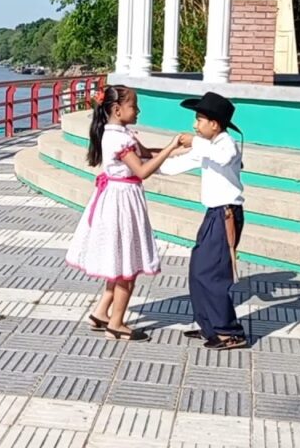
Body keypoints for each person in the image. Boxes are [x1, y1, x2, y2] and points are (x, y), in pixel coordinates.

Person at [65, 85, 184, 342]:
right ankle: (117, 323)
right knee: (126, 263)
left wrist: (181, 150)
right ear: (118, 110)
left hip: (115, 198)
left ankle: (101, 312)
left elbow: (146, 153)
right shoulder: (121, 139)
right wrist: (171, 147)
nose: (138, 110)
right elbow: (142, 170)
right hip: (122, 201)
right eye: (134, 106)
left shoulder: (117, 133)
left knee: (116, 260)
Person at [161, 92, 248, 350]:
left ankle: (229, 331)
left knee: (213, 274)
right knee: (198, 269)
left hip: (227, 214)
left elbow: (222, 157)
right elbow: (174, 165)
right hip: (213, 214)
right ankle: (209, 325)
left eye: (199, 120)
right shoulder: (207, 148)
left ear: (215, 124)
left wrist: (193, 143)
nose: (194, 126)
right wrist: (144, 160)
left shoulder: (227, 144)